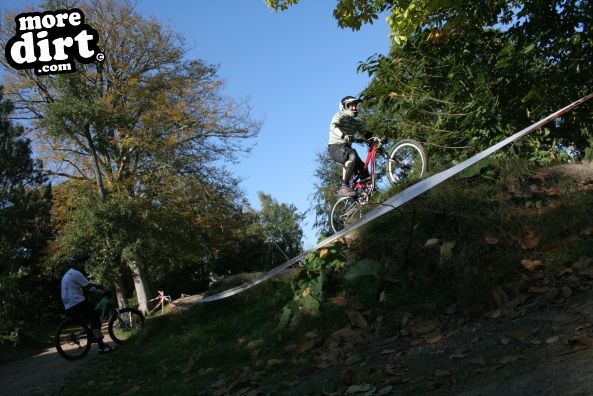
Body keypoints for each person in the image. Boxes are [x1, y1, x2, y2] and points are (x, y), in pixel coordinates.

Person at [60, 252, 113, 354]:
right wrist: (103, 292)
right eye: (81, 262)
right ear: (75, 264)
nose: (83, 264)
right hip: (76, 302)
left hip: (69, 305)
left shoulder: (68, 274)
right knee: (96, 319)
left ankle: (93, 336)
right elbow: (90, 288)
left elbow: (86, 286)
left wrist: (96, 287)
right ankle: (101, 347)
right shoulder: (76, 273)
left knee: (90, 315)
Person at [328, 96, 374, 197]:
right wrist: (343, 135)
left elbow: (366, 134)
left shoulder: (355, 123)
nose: (354, 108)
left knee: (364, 169)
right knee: (351, 155)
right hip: (335, 147)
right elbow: (334, 127)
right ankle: (343, 187)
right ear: (344, 107)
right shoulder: (339, 115)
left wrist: (377, 137)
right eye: (351, 106)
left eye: (355, 105)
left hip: (347, 148)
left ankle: (363, 195)